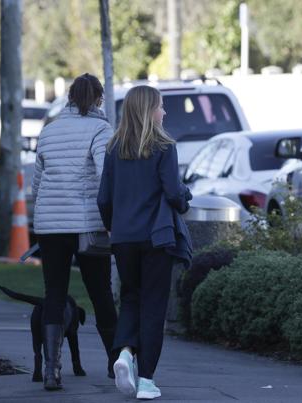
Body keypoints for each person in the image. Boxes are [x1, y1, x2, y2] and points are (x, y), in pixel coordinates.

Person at [97, 85, 192, 400]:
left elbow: (103, 199)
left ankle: (124, 352)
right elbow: (174, 193)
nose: (164, 112)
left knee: (131, 298)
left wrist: (113, 228)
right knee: (153, 306)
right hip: (156, 237)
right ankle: (147, 380)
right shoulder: (164, 146)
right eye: (161, 107)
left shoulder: (114, 148)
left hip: (123, 238)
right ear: (149, 110)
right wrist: (185, 199)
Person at [31, 73, 118, 390]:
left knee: (54, 292)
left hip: (50, 226)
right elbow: (104, 173)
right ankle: (116, 363)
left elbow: (37, 183)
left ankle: (52, 370)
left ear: (69, 99)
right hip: (89, 226)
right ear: (98, 99)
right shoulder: (101, 128)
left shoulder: (49, 131)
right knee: (100, 292)